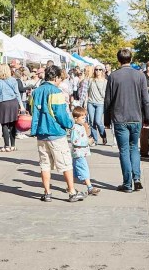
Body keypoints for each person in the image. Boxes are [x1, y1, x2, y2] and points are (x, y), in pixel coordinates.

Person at [30, 65, 84, 203]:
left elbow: (32, 110)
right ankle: (72, 191)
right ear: (56, 77)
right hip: (55, 132)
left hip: (41, 133)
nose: (61, 81)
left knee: (45, 164)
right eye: (60, 78)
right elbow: (61, 114)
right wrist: (70, 124)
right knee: (65, 163)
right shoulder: (56, 92)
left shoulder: (36, 92)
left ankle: (47, 192)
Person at [104, 48, 149, 193]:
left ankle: (127, 183)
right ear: (130, 59)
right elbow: (146, 100)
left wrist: (106, 120)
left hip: (120, 118)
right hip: (136, 117)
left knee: (124, 150)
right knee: (134, 149)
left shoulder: (113, 76)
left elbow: (108, 100)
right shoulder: (140, 76)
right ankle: (136, 178)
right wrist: (147, 118)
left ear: (118, 60)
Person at [70, 106, 100, 197]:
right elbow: (74, 141)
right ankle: (89, 187)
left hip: (79, 153)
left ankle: (70, 186)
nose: (84, 119)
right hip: (79, 153)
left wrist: (88, 140)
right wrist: (87, 141)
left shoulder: (80, 126)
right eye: (82, 118)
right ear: (76, 118)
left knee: (75, 171)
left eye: (85, 117)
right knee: (84, 169)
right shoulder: (75, 128)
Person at [0, 63, 21, 153]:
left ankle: (6, 145)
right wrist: (21, 105)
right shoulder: (13, 80)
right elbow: (17, 93)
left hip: (3, 103)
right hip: (13, 102)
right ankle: (13, 145)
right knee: (12, 124)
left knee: (4, 124)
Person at [86, 66, 108, 146]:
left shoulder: (105, 81)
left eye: (100, 69)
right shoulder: (91, 80)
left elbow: (106, 94)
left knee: (98, 121)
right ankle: (95, 140)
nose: (98, 71)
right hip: (91, 103)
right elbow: (87, 92)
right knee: (92, 122)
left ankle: (103, 135)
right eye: (96, 69)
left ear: (103, 71)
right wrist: (85, 102)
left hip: (100, 103)